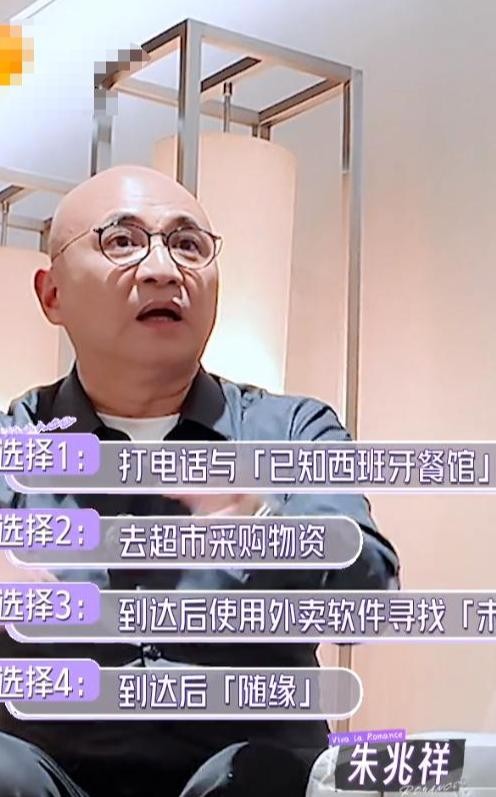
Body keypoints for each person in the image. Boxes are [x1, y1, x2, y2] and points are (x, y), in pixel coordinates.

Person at [0, 164, 401, 797]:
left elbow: (371, 596)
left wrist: (264, 526)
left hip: (247, 774)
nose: (163, 269)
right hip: (45, 776)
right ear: (53, 296)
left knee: (260, 776)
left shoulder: (291, 430)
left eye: (188, 245)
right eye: (122, 241)